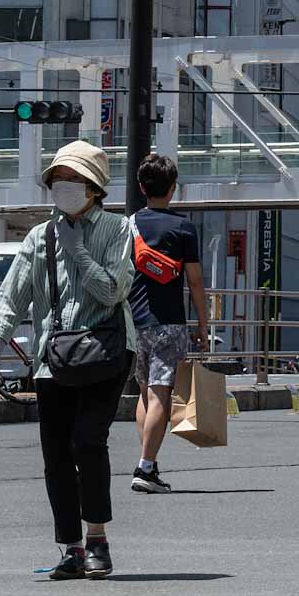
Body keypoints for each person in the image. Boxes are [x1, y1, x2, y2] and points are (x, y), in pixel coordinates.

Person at [0, 141, 134, 580]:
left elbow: (111, 292)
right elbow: (10, 298)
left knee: (88, 439)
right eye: (58, 180)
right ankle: (72, 547)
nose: (64, 188)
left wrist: (78, 250)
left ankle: (97, 535)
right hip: (54, 357)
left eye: (74, 180)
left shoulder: (118, 230)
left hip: (108, 350)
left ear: (95, 188)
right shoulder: (38, 237)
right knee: (56, 453)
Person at [126, 154, 209, 495]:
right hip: (169, 322)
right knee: (161, 392)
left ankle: (150, 463)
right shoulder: (182, 228)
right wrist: (204, 323)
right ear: (173, 189)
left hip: (135, 322)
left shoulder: (128, 225)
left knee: (145, 393)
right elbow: (195, 281)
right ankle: (145, 467)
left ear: (142, 187)